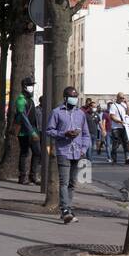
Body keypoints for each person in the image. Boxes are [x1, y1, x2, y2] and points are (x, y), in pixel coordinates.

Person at [45, 85, 91, 223]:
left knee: (72, 183)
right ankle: (65, 209)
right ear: (65, 98)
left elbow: (86, 134)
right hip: (63, 151)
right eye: (71, 97)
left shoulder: (80, 114)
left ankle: (69, 207)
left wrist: (84, 148)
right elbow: (49, 130)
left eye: (75, 97)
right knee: (64, 182)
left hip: (78, 152)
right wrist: (64, 134)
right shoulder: (57, 112)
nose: (74, 99)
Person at [13, 75, 41, 184]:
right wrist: (32, 132)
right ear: (24, 86)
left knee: (37, 152)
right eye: (30, 85)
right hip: (24, 132)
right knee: (24, 153)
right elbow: (23, 117)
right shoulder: (21, 100)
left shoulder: (30, 99)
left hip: (33, 129)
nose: (32, 87)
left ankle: (33, 176)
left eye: (32, 85)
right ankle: (23, 176)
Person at [105, 92, 129, 164]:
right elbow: (112, 116)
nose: (122, 99)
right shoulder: (113, 106)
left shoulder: (124, 105)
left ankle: (127, 158)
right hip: (116, 127)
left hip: (124, 127)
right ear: (117, 97)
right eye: (121, 98)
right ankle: (114, 159)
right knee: (115, 143)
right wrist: (119, 121)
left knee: (126, 143)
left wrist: (127, 103)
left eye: (123, 98)